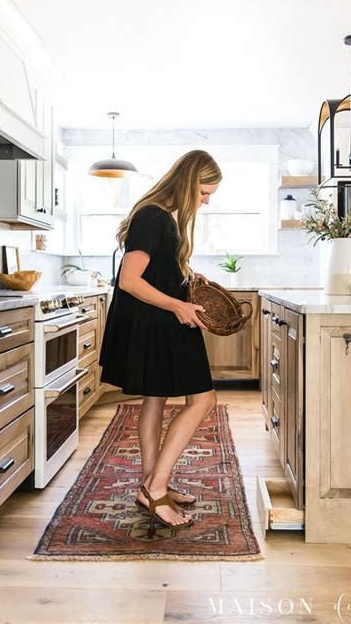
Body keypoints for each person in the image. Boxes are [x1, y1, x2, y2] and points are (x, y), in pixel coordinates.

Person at [99, 149, 222, 529]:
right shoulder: (152, 216)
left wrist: (187, 275)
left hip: (160, 318)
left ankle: (149, 486)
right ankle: (157, 485)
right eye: (204, 192)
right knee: (203, 398)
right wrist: (178, 305)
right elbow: (130, 280)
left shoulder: (164, 216)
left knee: (154, 399)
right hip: (161, 321)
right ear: (188, 183)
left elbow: (156, 268)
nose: (206, 200)